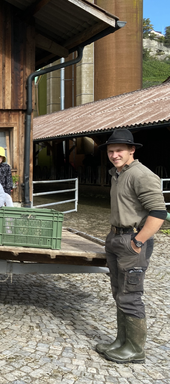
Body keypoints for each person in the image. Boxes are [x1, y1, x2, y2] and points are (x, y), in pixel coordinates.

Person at [96, 129, 166, 364]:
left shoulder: (140, 175)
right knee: (119, 292)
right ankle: (121, 341)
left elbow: (159, 213)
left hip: (132, 241)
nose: (114, 155)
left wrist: (138, 241)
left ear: (132, 150)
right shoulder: (118, 173)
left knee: (131, 296)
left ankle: (135, 349)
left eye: (119, 151)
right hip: (116, 237)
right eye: (111, 151)